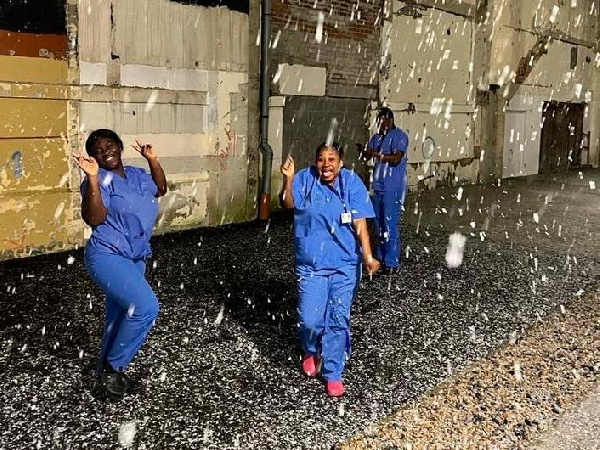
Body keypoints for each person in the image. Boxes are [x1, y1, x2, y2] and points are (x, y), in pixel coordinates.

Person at [280, 143, 380, 397]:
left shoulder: (351, 183)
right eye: (321, 159)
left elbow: (360, 221)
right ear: (315, 163)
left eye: (332, 159)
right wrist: (288, 180)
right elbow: (288, 204)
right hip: (312, 263)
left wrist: (367, 255)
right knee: (310, 319)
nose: (326, 164)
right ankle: (311, 349)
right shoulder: (304, 178)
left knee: (338, 318)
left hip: (344, 264)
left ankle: (334, 372)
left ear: (341, 162)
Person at [74, 129, 167, 401]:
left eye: (110, 145)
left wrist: (153, 159)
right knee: (145, 308)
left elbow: (160, 188)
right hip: (107, 256)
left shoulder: (137, 174)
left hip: (135, 256)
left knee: (117, 318)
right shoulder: (100, 179)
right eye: (98, 150)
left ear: (120, 146)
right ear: (93, 157)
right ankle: (112, 368)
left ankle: (104, 379)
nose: (106, 152)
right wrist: (91, 178)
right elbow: (94, 218)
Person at [364, 107, 409, 275]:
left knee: (389, 224)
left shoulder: (400, 137)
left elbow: (396, 159)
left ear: (390, 120)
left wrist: (375, 153)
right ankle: (381, 257)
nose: (381, 125)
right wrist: (364, 151)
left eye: (383, 122)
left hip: (393, 186)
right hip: (378, 186)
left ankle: (392, 261)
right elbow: (368, 155)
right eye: (379, 122)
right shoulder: (376, 138)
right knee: (378, 224)